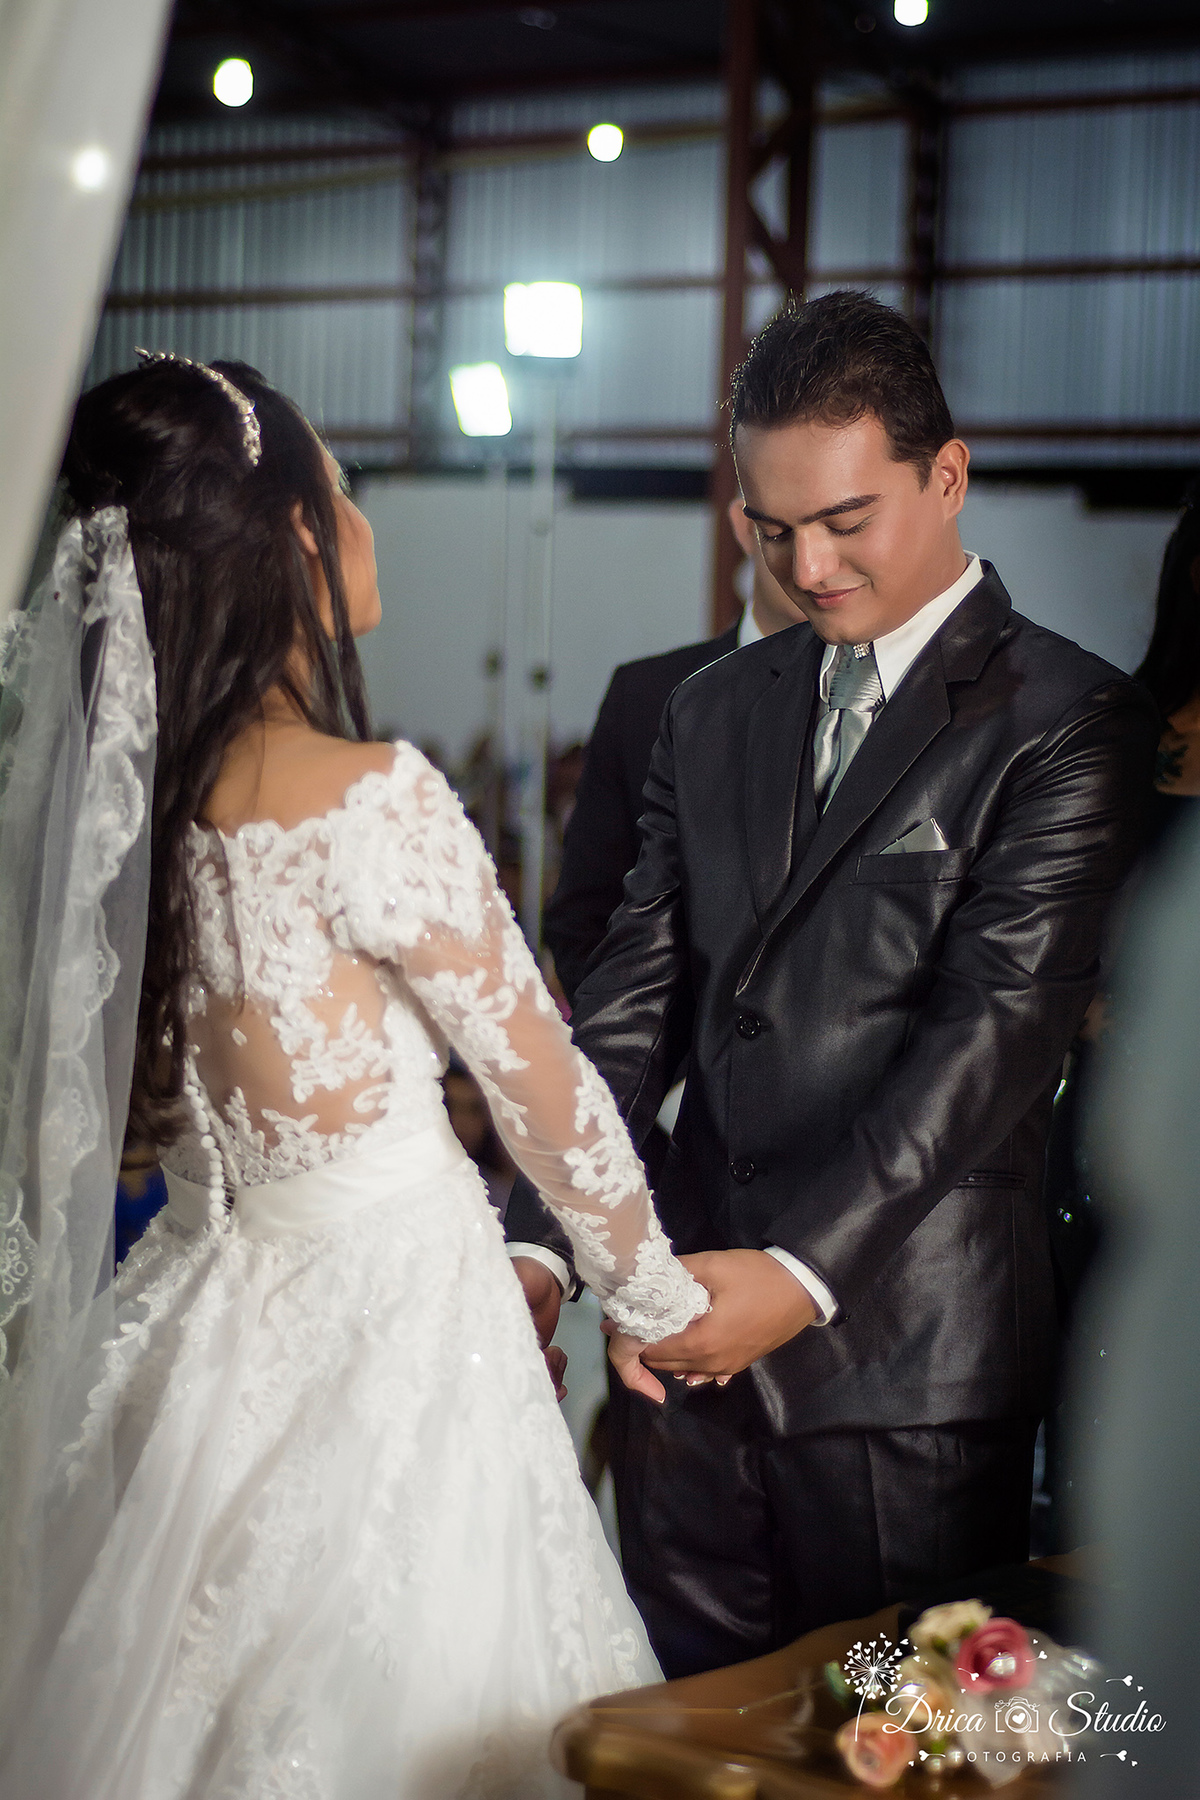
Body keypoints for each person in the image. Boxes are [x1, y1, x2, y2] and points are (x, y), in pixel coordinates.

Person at [0, 352, 708, 1799]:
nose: (363, 521)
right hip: (398, 1338)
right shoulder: (370, 798)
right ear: (297, 537)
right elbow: (548, 1094)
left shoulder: (144, 820)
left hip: (209, 1327)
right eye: (346, 487)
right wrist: (658, 1305)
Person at [506, 290, 1157, 1679]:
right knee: (683, 1740)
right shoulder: (710, 710)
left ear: (947, 477)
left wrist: (797, 1277)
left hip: (907, 1375)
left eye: (846, 520)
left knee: (895, 1748)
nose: (807, 566)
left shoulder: (1069, 719)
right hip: (678, 1348)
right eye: (770, 528)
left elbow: (990, 1040)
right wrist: (543, 1249)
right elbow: (625, 1007)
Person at [541, 502, 804, 1006]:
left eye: (841, 524)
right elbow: (583, 917)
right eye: (786, 527)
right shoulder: (647, 696)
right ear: (743, 523)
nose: (814, 561)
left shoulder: (895, 694)